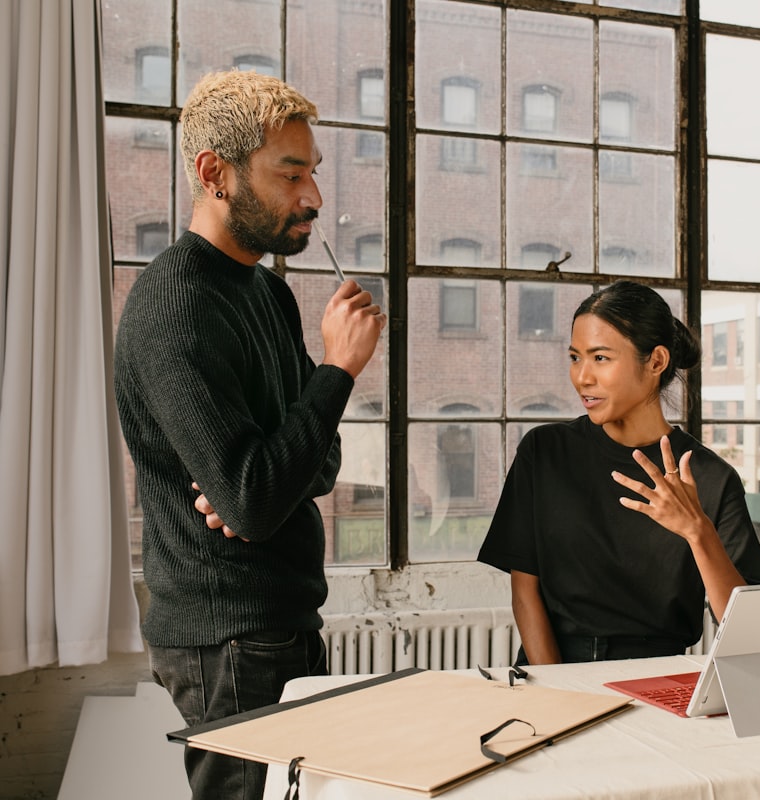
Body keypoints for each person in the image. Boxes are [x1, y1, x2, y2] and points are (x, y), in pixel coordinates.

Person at [114, 70, 386, 800]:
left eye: (313, 173)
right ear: (215, 174)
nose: (314, 198)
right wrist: (339, 370)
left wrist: (260, 480)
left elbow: (314, 462)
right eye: (289, 174)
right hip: (225, 638)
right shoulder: (174, 307)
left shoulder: (265, 289)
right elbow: (257, 499)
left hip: (280, 618)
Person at [477, 280, 760, 665]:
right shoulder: (544, 452)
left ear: (655, 362)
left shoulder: (709, 477)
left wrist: (697, 532)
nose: (582, 376)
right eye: (575, 357)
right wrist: (560, 689)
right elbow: (525, 592)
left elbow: (749, 629)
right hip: (551, 673)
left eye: (600, 358)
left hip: (655, 678)